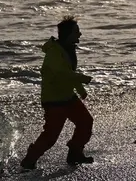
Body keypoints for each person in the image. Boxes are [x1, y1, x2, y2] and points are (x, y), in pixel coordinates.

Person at [20, 16, 95, 169]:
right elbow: (61, 73)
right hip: (54, 100)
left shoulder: (68, 49)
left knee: (86, 122)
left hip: (68, 96)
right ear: (68, 34)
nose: (80, 35)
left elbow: (68, 72)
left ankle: (75, 153)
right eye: (77, 32)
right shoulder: (54, 52)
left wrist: (80, 90)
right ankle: (29, 160)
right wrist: (82, 78)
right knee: (50, 137)